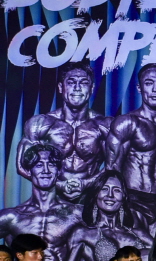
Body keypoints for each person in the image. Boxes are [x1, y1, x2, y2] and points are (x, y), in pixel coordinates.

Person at [17, 62, 108, 204]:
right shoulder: (40, 124)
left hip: (90, 199)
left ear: (91, 88)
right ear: (61, 87)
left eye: (83, 83)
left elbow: (116, 164)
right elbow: (22, 165)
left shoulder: (104, 125)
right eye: (71, 82)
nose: (77, 88)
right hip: (52, 200)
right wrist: (59, 185)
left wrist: (86, 184)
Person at [105, 63, 156, 223]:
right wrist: (121, 204)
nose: (155, 89)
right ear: (139, 88)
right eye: (148, 83)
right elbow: (112, 169)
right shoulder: (127, 122)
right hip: (132, 199)